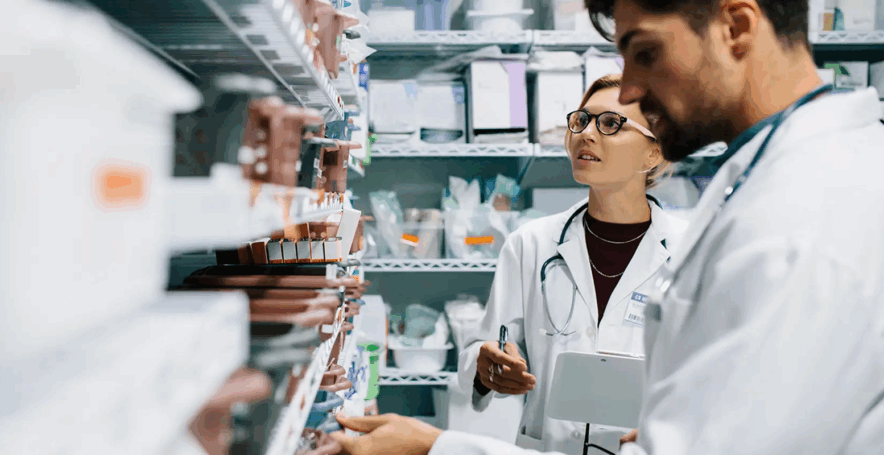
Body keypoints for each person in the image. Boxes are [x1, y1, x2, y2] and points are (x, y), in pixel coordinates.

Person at [329, 0, 884, 453]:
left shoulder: (804, 217)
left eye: (645, 52)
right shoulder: (773, 182)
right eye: (582, 120)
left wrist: (435, 449)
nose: (633, 89)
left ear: (735, 26)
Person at [457, 73, 688, 454]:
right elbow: (481, 350)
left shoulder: (688, 253)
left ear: (654, 152)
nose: (586, 134)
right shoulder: (530, 245)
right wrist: (487, 367)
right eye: (581, 120)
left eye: (611, 123)